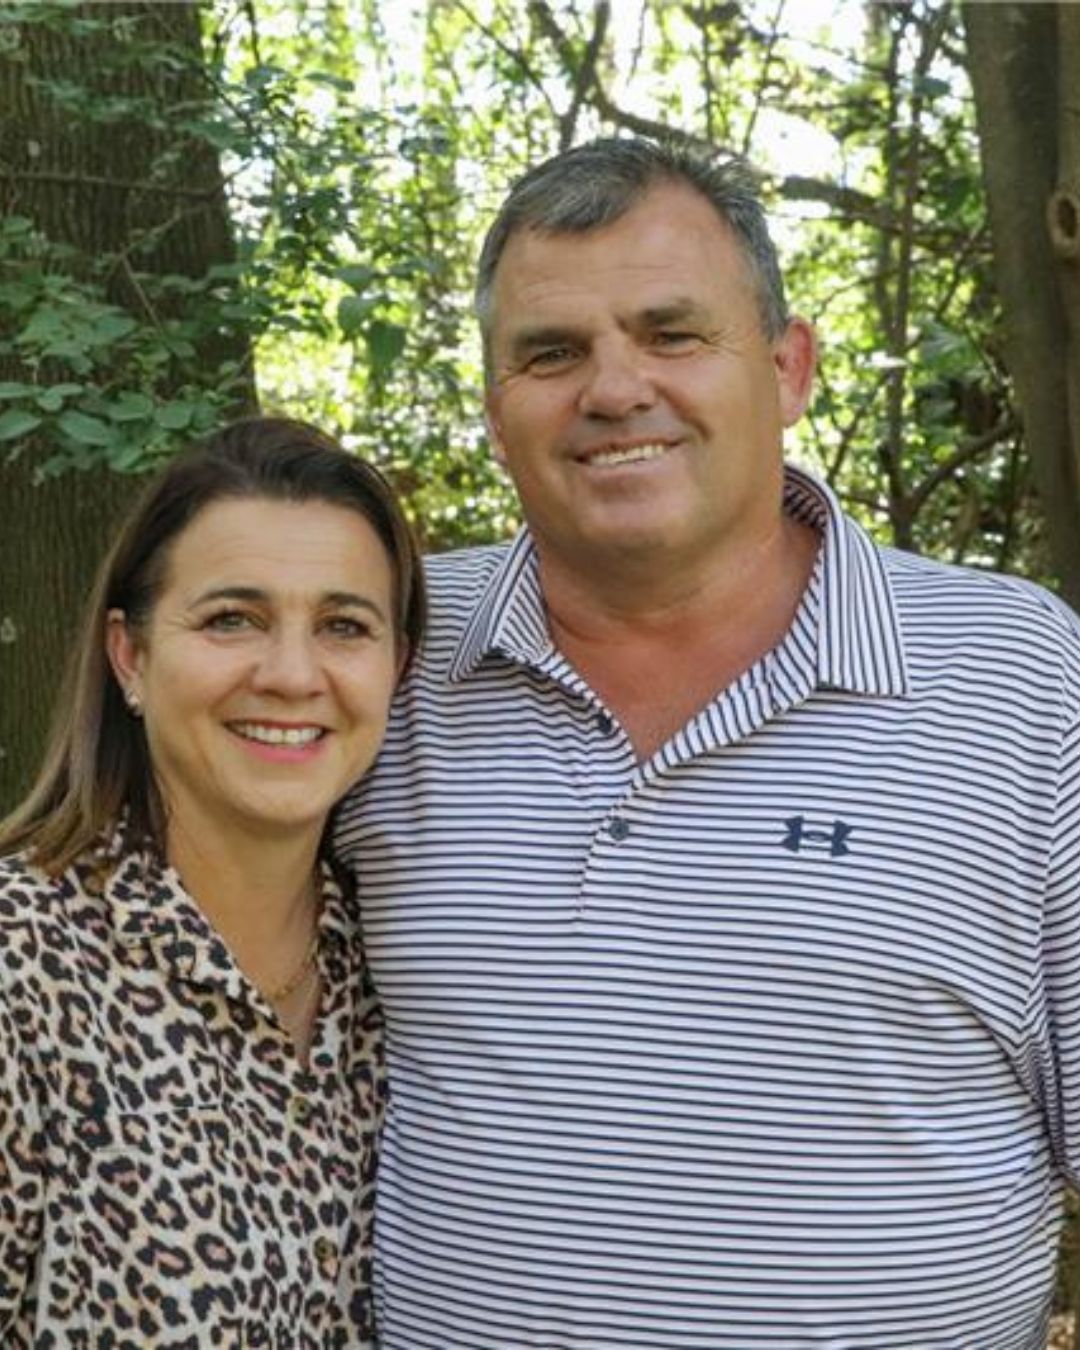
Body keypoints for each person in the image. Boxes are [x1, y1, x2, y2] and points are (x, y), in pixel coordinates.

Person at [336, 136, 1080, 1348]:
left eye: (672, 332)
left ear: (789, 369)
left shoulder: (1019, 675)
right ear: (494, 412)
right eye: (551, 352)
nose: (615, 387)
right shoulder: (383, 652)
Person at [0, 417, 424, 1347]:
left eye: (344, 626)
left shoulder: (405, 974)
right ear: (131, 656)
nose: (291, 674)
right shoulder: (23, 970)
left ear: (397, 666)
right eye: (233, 618)